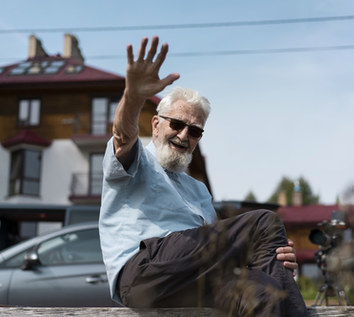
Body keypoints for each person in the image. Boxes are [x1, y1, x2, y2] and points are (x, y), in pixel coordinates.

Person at [99, 36, 308, 316]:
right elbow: (123, 135)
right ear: (157, 124)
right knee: (264, 222)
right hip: (144, 274)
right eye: (177, 124)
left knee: (265, 292)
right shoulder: (138, 161)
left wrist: (273, 257)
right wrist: (133, 98)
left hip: (193, 282)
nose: (184, 135)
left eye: (195, 131)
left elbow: (217, 252)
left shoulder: (198, 192)